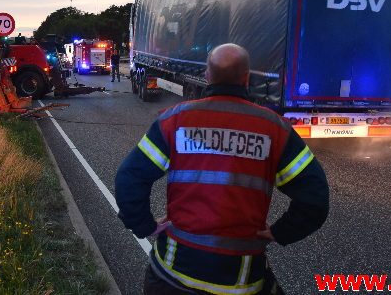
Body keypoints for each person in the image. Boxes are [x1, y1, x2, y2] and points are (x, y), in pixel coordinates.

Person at [115, 43, 330, 294]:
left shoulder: (175, 120)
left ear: (207, 76)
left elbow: (129, 178)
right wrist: (279, 232)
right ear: (247, 78)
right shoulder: (275, 129)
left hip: (174, 275)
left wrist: (145, 226)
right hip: (241, 279)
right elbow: (315, 198)